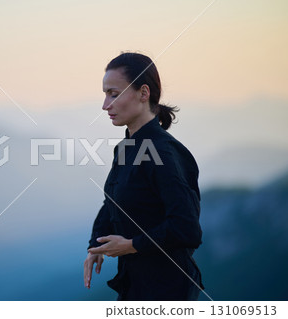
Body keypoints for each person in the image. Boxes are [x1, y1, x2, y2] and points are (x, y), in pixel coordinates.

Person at [83, 52, 204, 301]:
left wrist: (130, 245)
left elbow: (186, 228)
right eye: (105, 94)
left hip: (167, 291)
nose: (106, 105)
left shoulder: (165, 152)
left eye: (114, 94)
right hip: (135, 285)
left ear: (144, 93)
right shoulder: (127, 148)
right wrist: (95, 245)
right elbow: (112, 203)